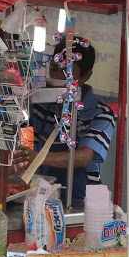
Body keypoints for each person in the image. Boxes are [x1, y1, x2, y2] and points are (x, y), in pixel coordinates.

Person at [23, 36, 116, 209]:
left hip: (80, 199)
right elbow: (25, 138)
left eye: (67, 71)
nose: (59, 76)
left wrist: (37, 159)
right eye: (55, 69)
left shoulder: (101, 113)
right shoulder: (39, 103)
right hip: (37, 193)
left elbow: (84, 157)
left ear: (86, 76)